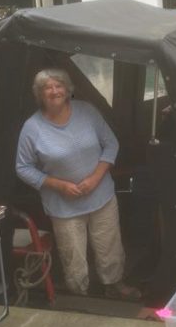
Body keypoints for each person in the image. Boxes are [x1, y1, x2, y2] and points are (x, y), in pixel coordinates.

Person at [16, 68, 140, 300]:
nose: (54, 91)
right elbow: (23, 168)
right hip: (64, 205)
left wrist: (95, 178)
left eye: (58, 85)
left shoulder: (87, 111)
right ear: (39, 94)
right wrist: (58, 185)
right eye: (47, 88)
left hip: (100, 195)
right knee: (73, 255)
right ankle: (80, 296)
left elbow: (111, 144)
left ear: (67, 89)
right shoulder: (32, 128)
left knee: (109, 245)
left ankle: (114, 285)